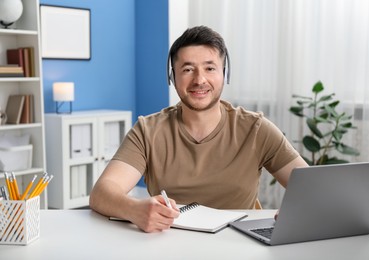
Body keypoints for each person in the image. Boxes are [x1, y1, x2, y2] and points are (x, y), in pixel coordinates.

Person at [89, 25, 308, 233]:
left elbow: (313, 189)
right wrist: (134, 209)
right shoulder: (148, 131)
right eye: (188, 69)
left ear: (224, 73)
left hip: (240, 248)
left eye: (210, 68)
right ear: (172, 76)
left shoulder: (256, 129)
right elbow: (102, 193)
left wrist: (298, 212)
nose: (199, 79)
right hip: (169, 244)